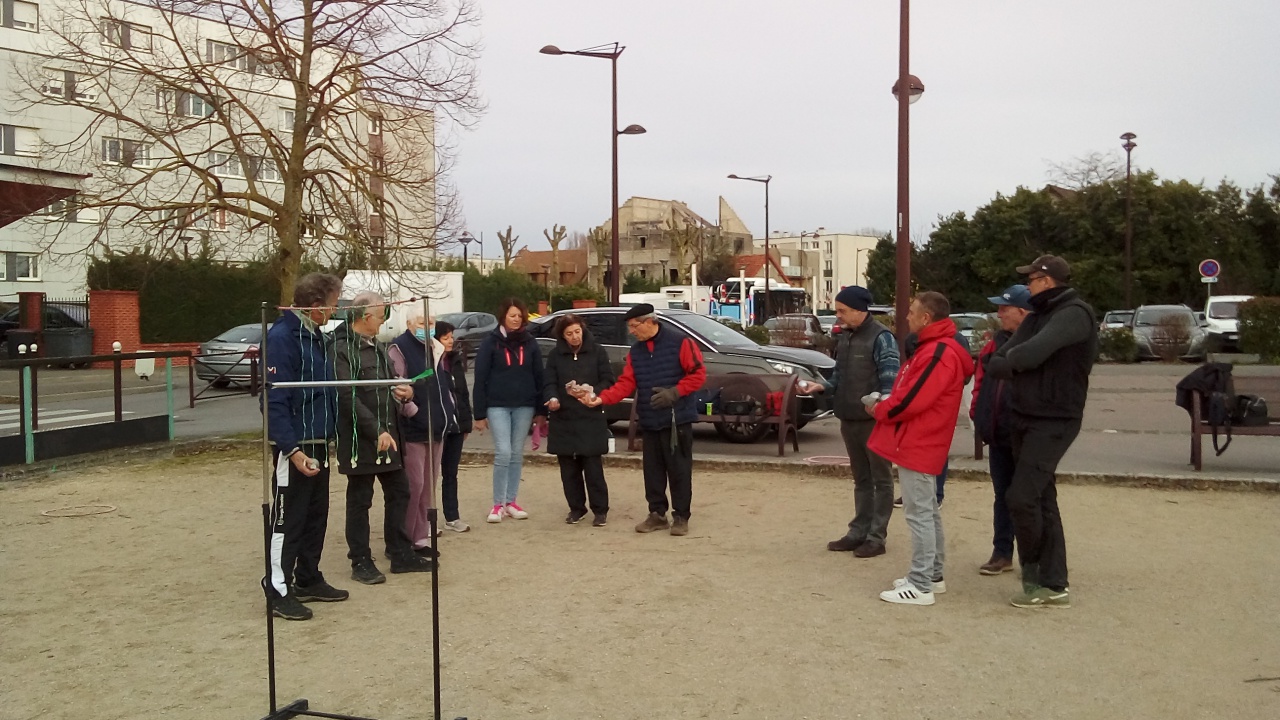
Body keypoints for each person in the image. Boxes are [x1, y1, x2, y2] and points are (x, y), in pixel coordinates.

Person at [986, 255, 1098, 609]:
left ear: (1047, 281)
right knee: (1042, 498)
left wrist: (1014, 362)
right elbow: (996, 359)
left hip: (1055, 418)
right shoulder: (1037, 316)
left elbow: (1030, 353)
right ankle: (1053, 582)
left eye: (1031, 279)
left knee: (1021, 496)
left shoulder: (1073, 313)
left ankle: (1034, 571)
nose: (1028, 285)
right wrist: (1013, 360)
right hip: (1025, 415)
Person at [868, 292, 974, 605]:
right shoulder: (936, 349)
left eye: (912, 311)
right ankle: (932, 575)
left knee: (919, 514)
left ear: (926, 317)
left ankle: (921, 582)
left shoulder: (937, 353)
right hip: (922, 438)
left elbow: (914, 399)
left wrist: (880, 410)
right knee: (925, 511)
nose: (907, 317)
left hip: (920, 439)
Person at [333, 292, 435, 584]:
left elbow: (390, 383)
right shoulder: (341, 349)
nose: (383, 323)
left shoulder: (376, 347)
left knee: (400, 492)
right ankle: (360, 561)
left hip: (390, 434)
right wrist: (375, 429)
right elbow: (346, 395)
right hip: (359, 438)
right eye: (380, 318)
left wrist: (405, 393)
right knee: (360, 500)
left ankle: (400, 552)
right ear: (365, 318)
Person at [262, 272, 346, 621]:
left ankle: (308, 576)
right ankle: (278, 589)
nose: (335, 310)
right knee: (288, 519)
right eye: (333, 305)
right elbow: (275, 399)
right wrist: (292, 450)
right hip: (295, 447)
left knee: (316, 515)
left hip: (317, 441)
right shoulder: (283, 337)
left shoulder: (314, 337)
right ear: (316, 306)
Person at [582, 304, 706, 536]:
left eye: (634, 326)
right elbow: (626, 384)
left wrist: (675, 393)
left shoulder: (681, 342)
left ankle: (681, 516)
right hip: (650, 419)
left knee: (679, 469)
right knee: (653, 470)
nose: (632, 332)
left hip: (676, 419)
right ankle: (657, 514)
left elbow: (698, 374)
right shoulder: (636, 352)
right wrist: (600, 399)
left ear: (649, 321)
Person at [801, 286, 899, 558]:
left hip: (873, 420)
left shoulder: (882, 338)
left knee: (881, 479)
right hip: (849, 418)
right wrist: (820, 387)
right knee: (861, 479)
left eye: (843, 310)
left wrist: (881, 407)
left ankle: (876, 537)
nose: (838, 315)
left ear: (859, 310)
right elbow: (839, 377)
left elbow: (891, 380)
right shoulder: (845, 338)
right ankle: (858, 532)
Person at [971, 284, 1032, 576]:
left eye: (1004, 308)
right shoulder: (993, 345)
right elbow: (980, 382)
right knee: (1002, 495)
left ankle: (1036, 557)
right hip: (997, 432)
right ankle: (1002, 552)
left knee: (1030, 497)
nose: (999, 313)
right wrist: (977, 414)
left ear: (1023, 312)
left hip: (1027, 433)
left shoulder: (1037, 342)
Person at [473, 297, 546, 523]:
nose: (516, 320)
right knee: (503, 452)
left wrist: (542, 410)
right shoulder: (490, 343)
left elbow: (539, 376)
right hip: (497, 405)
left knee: (516, 454)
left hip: (525, 405)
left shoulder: (530, 342)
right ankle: (497, 505)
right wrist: (479, 414)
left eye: (519, 316)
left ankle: (511, 501)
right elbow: (480, 378)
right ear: (503, 316)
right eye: (512, 315)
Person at [388, 313, 454, 554]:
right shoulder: (400, 348)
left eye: (431, 323)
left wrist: (450, 409)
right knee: (414, 485)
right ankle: (405, 539)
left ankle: (420, 537)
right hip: (414, 428)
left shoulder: (435, 347)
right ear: (409, 325)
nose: (427, 327)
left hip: (436, 425)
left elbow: (441, 384)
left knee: (429, 484)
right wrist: (413, 412)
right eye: (421, 323)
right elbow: (398, 385)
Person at [542, 313, 616, 527]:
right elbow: (549, 382)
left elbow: (608, 379)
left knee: (593, 467)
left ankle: (600, 510)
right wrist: (553, 398)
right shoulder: (556, 355)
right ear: (562, 336)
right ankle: (576, 508)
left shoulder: (598, 351)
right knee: (568, 469)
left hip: (590, 415)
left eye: (577, 331)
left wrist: (593, 392)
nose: (575, 337)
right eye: (569, 334)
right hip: (563, 418)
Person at [435, 320, 473, 533]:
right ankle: (425, 519)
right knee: (429, 476)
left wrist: (466, 423)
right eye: (445, 337)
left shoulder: (455, 361)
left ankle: (452, 516)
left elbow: (462, 394)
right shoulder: (429, 362)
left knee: (451, 473)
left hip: (456, 426)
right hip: (437, 426)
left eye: (451, 336)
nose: (450, 341)